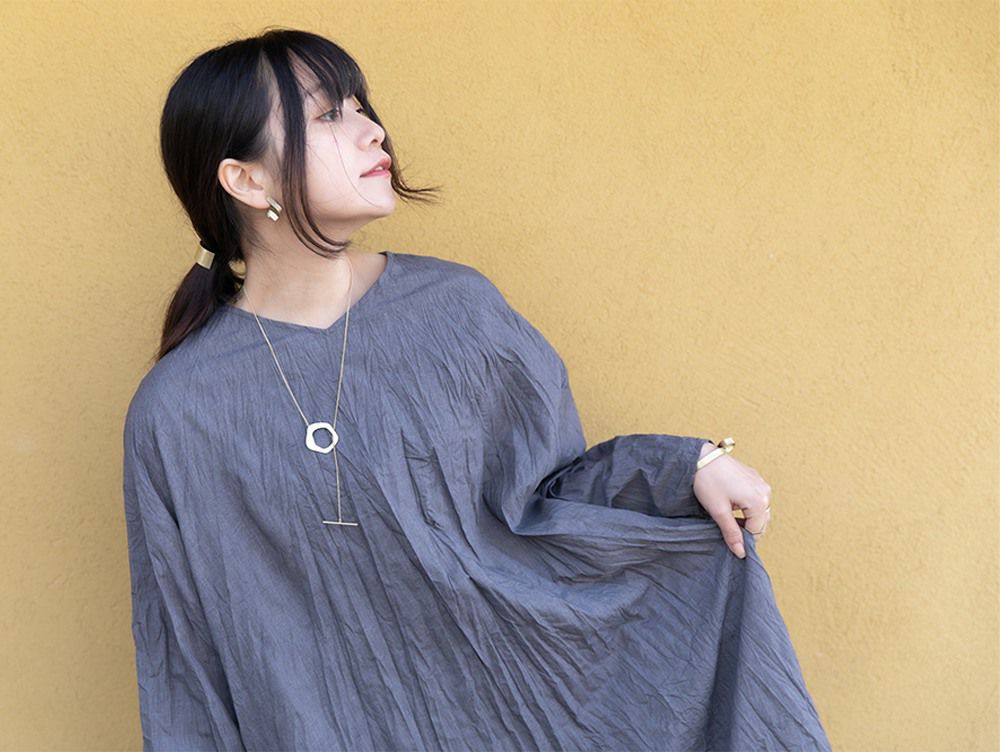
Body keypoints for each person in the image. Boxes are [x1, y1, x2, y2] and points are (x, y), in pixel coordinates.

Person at [122, 27, 831, 751]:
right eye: (328, 114)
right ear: (246, 180)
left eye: (361, 105)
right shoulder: (177, 413)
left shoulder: (459, 313)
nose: (371, 129)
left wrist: (683, 470)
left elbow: (547, 502)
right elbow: (187, 668)